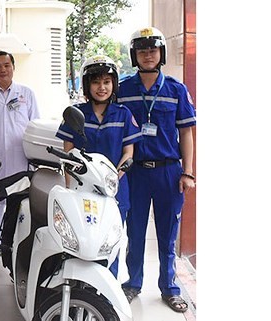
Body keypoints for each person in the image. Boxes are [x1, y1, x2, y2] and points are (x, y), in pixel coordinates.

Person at [117, 27, 196, 313]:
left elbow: (186, 133)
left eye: (152, 50)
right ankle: (133, 283)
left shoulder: (176, 89)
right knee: (134, 231)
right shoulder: (123, 91)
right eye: (142, 50)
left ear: (160, 53)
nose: (148, 55)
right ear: (134, 55)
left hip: (168, 173)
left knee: (167, 233)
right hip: (135, 173)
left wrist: (188, 172)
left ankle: (169, 288)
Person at [55, 55, 142, 278]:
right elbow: (68, 154)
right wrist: (69, 190)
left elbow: (128, 152)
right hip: (81, 191)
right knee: (80, 241)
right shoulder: (76, 114)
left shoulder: (123, 114)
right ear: (87, 85)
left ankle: (107, 290)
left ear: (113, 84)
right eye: (95, 82)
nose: (101, 87)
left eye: (106, 82)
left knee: (109, 243)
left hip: (115, 191)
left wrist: (112, 179)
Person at [0, 51, 40, 263]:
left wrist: (36, 155)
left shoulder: (26, 93)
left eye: (6, 65)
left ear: (13, 67)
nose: (3, 70)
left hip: (21, 156)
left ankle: (17, 242)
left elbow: (35, 125)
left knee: (21, 199)